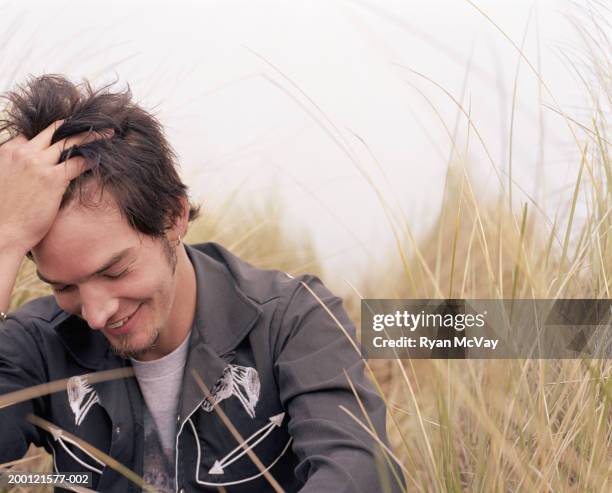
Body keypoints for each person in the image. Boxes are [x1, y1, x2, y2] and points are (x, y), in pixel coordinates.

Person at [0, 75, 404, 493]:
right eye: (65, 288)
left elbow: (364, 472)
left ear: (173, 218)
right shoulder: (37, 342)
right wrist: (4, 241)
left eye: (115, 271)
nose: (97, 314)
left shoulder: (292, 319)